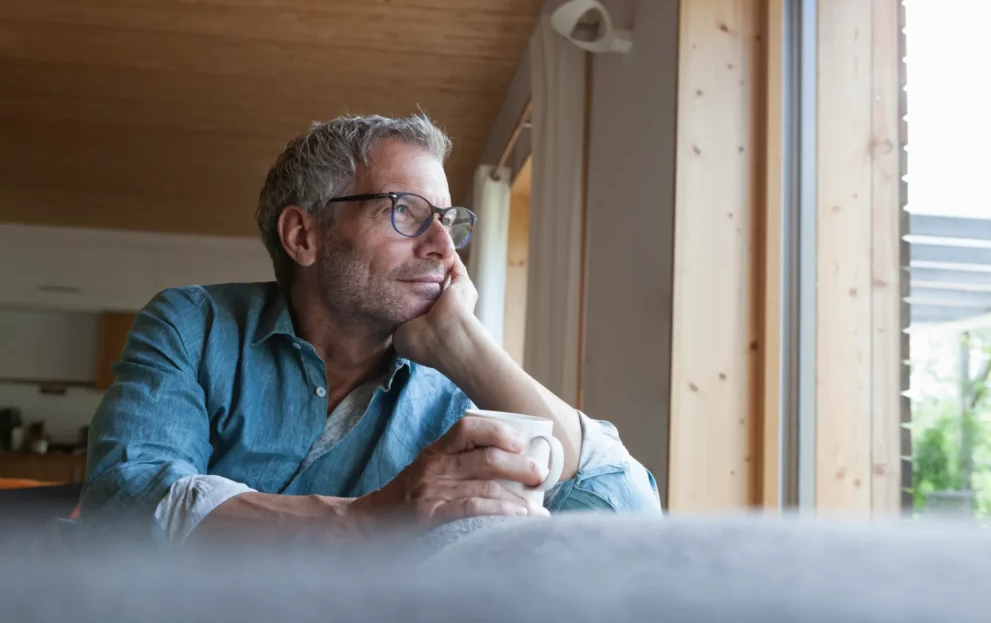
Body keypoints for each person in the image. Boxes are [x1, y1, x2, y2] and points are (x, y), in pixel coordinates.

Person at [79, 114, 660, 543]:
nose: (442, 248)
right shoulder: (195, 325)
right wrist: (366, 520)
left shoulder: (460, 396)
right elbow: (128, 497)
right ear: (303, 236)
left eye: (448, 222)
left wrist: (467, 347)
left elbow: (627, 523)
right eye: (405, 211)